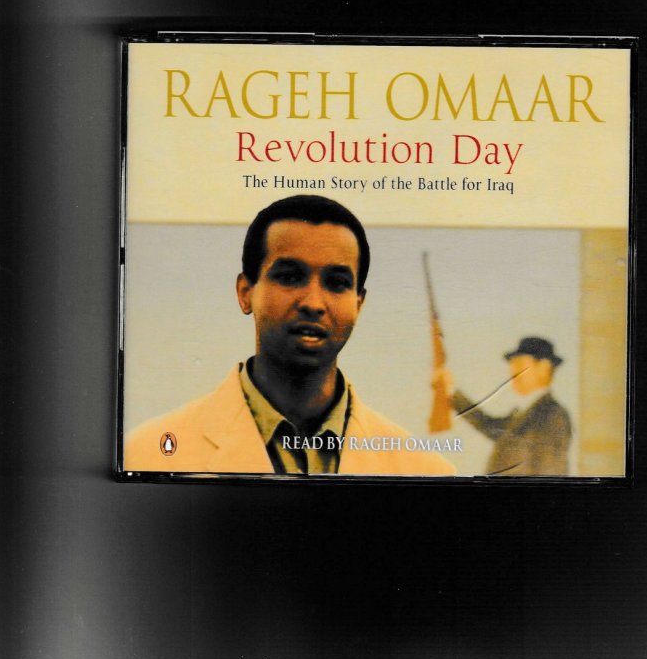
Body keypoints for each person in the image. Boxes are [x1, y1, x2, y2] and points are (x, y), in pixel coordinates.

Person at [125, 195, 454, 476]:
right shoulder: (148, 453)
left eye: (337, 282)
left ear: (359, 303)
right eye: (290, 277)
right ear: (245, 293)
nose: (313, 303)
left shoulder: (426, 472)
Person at [436, 337, 571, 476]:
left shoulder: (553, 415)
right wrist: (451, 390)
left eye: (520, 364)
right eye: (512, 364)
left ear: (544, 367)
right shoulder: (524, 414)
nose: (512, 372)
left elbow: (549, 474)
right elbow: (487, 424)